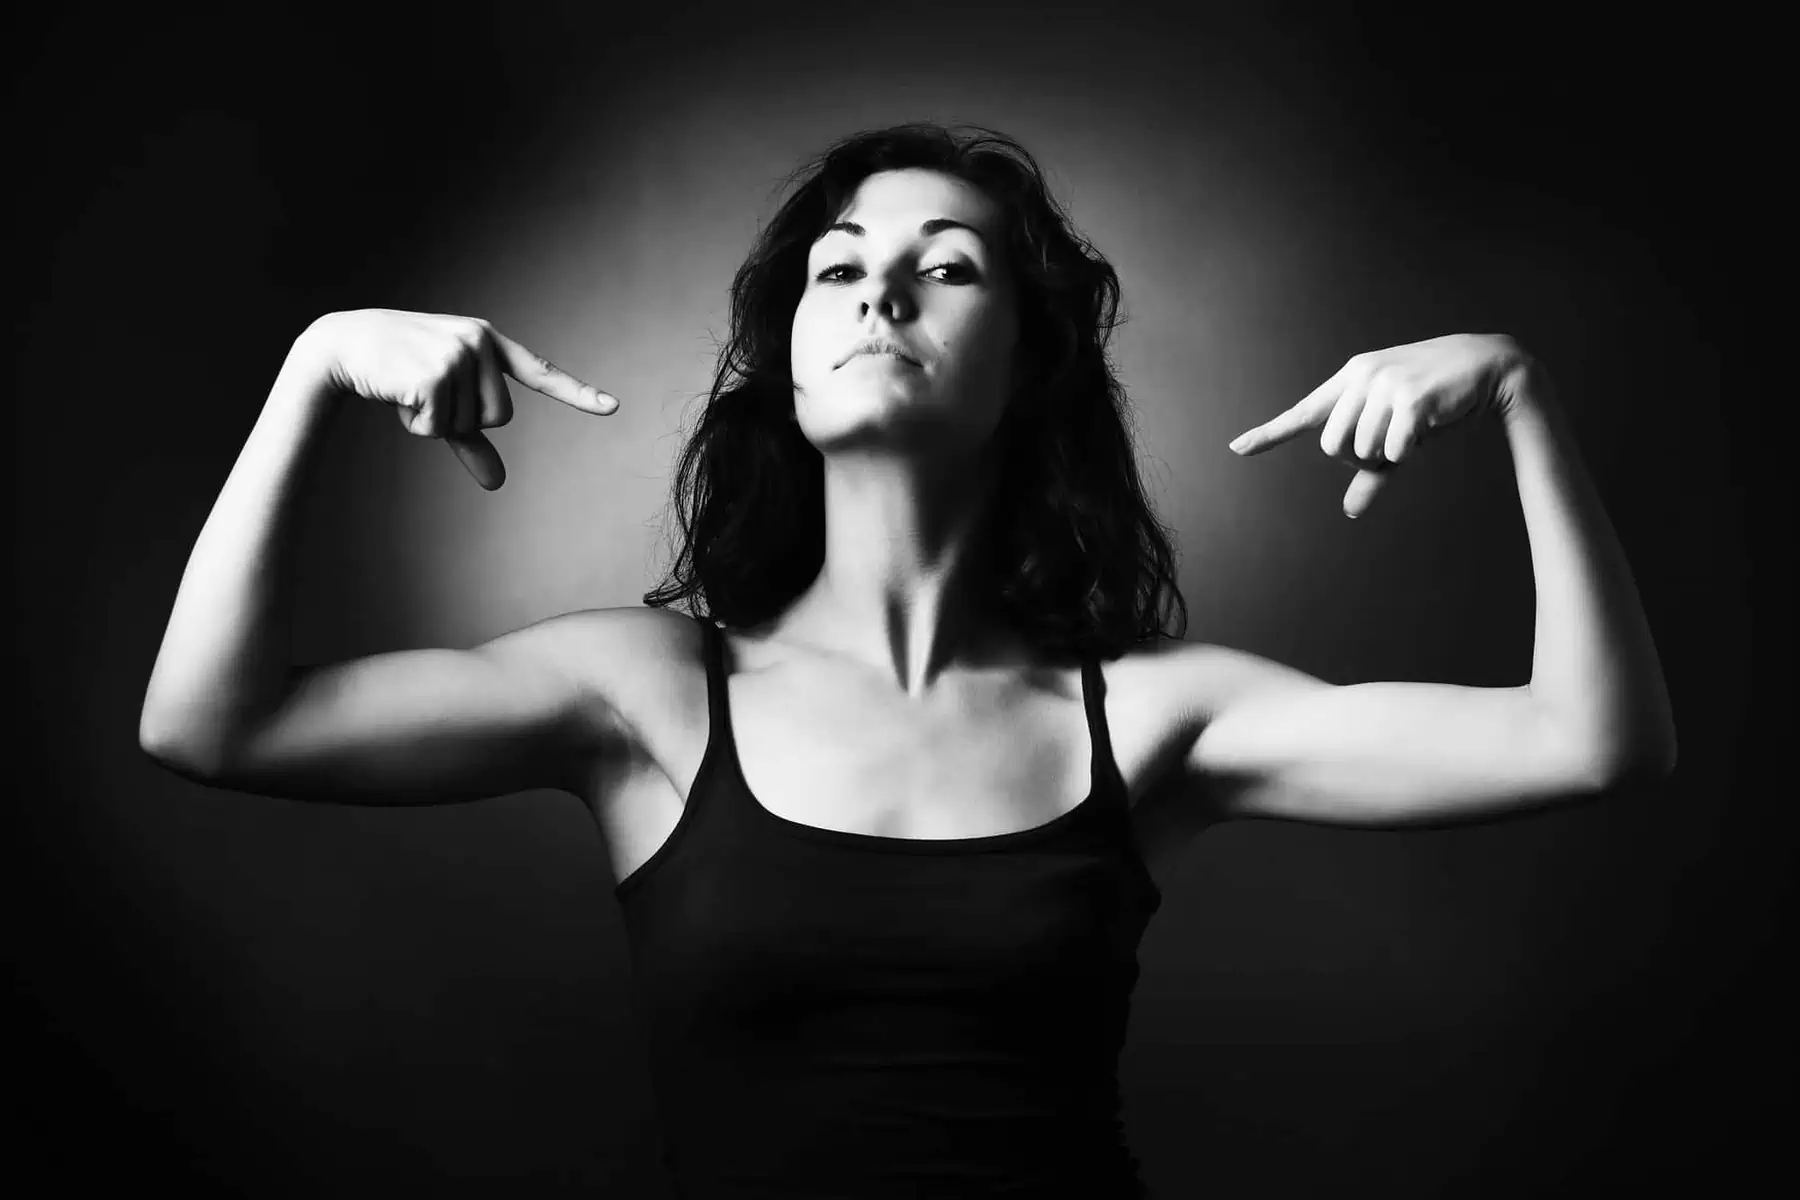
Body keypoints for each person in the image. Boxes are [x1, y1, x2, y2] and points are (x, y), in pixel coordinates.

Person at [139, 123, 1677, 1198]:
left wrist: (1520, 395)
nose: (879, 290)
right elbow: (213, 721)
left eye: (948, 266)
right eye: (835, 267)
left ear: (1029, 359)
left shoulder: (1148, 716)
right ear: (790, 358)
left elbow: (1590, 740)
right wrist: (314, 368)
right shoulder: (650, 694)